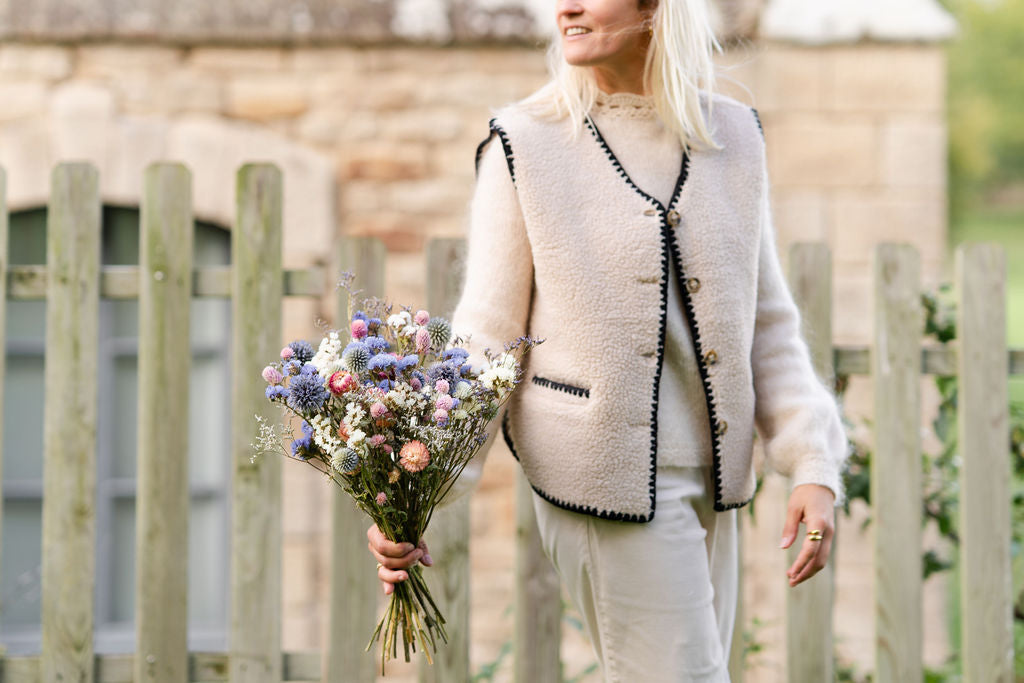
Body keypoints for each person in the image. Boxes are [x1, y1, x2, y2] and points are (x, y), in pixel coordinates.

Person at [368, 0, 849, 679]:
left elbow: (767, 322)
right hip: (602, 478)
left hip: (712, 484)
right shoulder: (525, 143)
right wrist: (416, 486)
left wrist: (811, 460)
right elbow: (486, 339)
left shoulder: (735, 137)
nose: (565, 6)